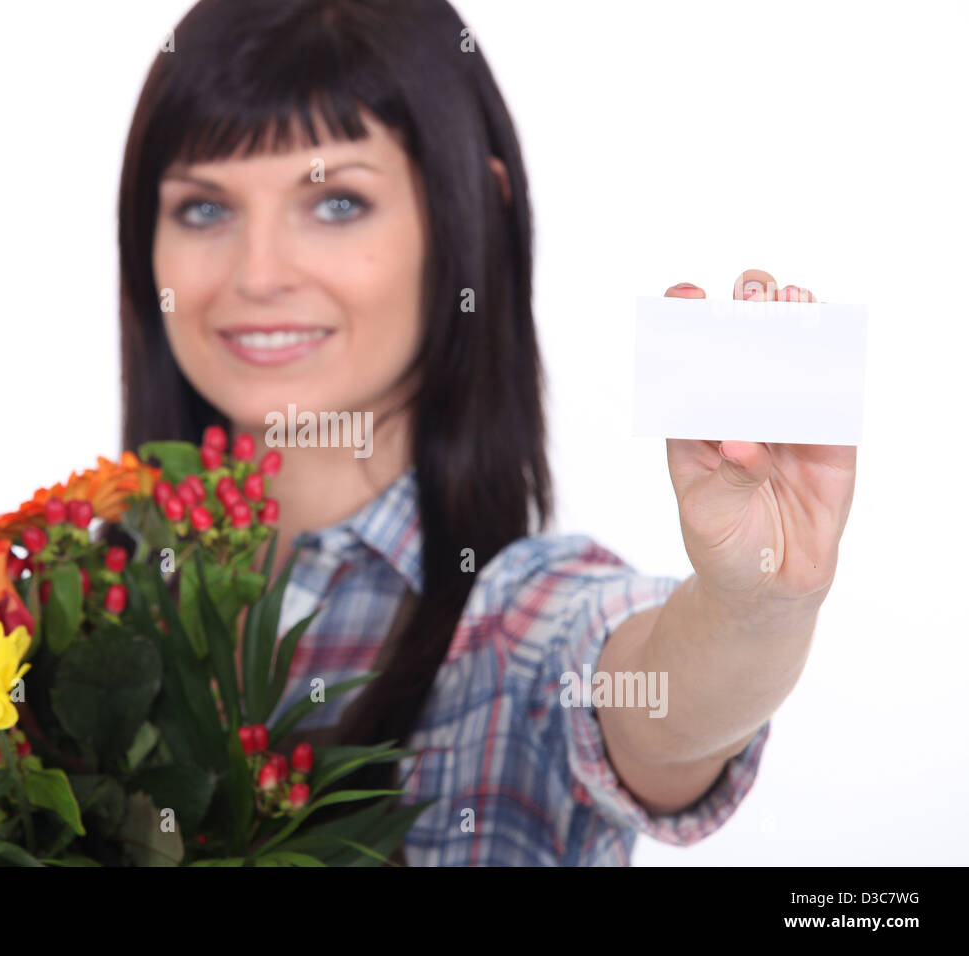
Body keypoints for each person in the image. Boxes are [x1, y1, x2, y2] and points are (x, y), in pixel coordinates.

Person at [114, 0, 856, 865]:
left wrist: (755, 604)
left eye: (337, 202)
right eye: (205, 210)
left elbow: (659, 703)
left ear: (472, 212)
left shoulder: (514, 623)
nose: (258, 273)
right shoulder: (74, 600)